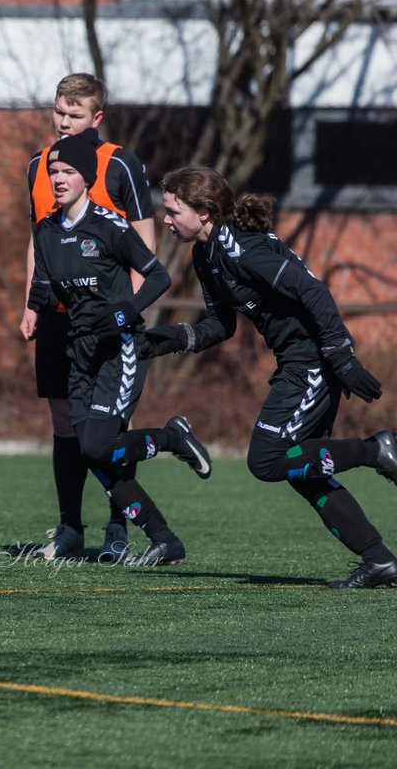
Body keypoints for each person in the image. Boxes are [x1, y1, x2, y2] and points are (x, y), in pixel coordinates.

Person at [144, 164, 397, 587]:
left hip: (312, 358)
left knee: (267, 459)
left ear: (203, 212)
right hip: (298, 360)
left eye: (172, 211)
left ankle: (377, 450)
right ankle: (379, 560)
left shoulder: (243, 248)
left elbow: (312, 291)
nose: (165, 220)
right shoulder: (205, 255)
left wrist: (340, 356)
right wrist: (170, 339)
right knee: (303, 471)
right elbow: (220, 325)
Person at [27, 133, 212, 566]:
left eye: (67, 171)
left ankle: (171, 437)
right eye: (53, 171)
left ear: (86, 179)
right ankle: (164, 538)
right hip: (79, 353)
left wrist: (121, 314)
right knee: (89, 450)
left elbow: (158, 278)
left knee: (95, 447)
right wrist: (32, 311)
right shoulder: (47, 231)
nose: (57, 178)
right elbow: (43, 288)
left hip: (119, 349)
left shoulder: (109, 226)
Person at [20, 73, 157, 562]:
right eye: (59, 112)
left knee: (111, 425)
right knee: (63, 421)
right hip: (58, 317)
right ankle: (69, 527)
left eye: (74, 115)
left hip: (106, 319)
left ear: (96, 118)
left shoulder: (120, 164)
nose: (64, 122)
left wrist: (127, 314)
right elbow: (38, 240)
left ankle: (118, 528)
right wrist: (29, 303)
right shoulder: (39, 165)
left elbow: (146, 246)